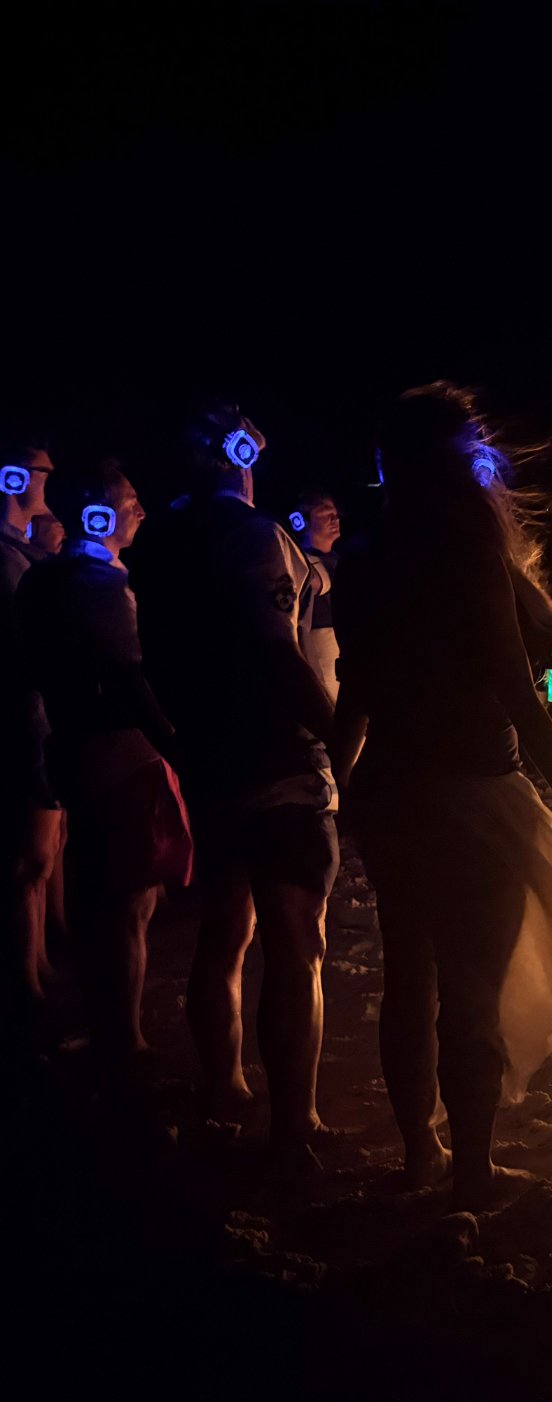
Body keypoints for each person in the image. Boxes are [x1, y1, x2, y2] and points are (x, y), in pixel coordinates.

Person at [334, 383, 552, 1208]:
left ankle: (419, 1156)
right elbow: (522, 680)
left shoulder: (366, 550)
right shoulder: (464, 541)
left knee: (410, 973)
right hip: (471, 787)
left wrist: (340, 773)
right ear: (457, 456)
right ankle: (470, 1171)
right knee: (471, 983)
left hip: (391, 786)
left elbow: (358, 684)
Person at [123, 403, 338, 1168]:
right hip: (278, 759)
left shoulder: (157, 541)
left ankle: (225, 1087)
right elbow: (277, 652)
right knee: (294, 945)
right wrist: (339, 739)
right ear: (241, 451)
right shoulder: (252, 535)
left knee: (223, 931)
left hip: (207, 761)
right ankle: (296, 1124)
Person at [16, 461, 190, 1076]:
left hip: (70, 748)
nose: (141, 510)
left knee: (96, 894)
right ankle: (127, 1039)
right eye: (130, 501)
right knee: (131, 902)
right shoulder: (98, 584)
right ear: (96, 513)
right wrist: (174, 744)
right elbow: (129, 676)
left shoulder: (42, 580)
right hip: (119, 754)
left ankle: (104, 1024)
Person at [2, 440, 64, 1059]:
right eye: (42, 470)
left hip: (41, 714)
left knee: (44, 850)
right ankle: (24, 980)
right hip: (23, 716)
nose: (49, 481)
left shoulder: (22, 553)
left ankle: (40, 961)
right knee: (29, 855)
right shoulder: (8, 557)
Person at [289, 490, 342, 703]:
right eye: (324, 513)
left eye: (335, 513)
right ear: (301, 520)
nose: (334, 518)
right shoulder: (299, 562)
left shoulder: (338, 558)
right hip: (323, 645)